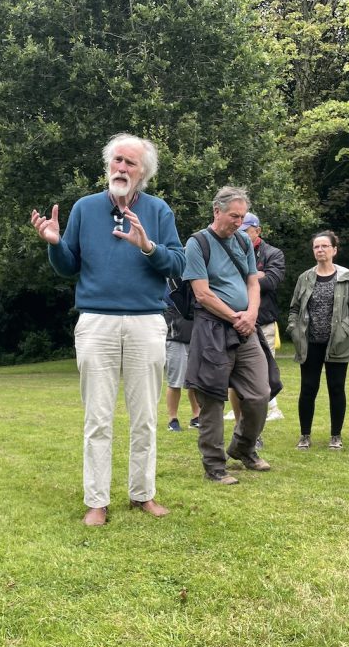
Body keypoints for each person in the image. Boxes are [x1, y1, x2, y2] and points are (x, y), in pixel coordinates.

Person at [31, 133, 185, 525]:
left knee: (145, 416)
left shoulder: (158, 210)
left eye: (130, 163)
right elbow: (68, 265)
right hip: (96, 321)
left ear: (143, 172)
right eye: (117, 160)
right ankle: (96, 501)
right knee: (98, 417)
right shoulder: (84, 208)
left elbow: (179, 265)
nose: (121, 167)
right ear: (108, 165)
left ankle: (142, 495)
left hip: (146, 322)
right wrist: (53, 242)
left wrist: (148, 247)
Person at [183, 187, 280, 484]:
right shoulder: (197, 244)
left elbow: (254, 281)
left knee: (260, 392)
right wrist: (235, 316)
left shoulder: (242, 241)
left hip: (246, 327)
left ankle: (243, 448)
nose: (238, 222)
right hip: (213, 328)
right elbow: (202, 293)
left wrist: (250, 314)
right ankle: (214, 465)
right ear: (216, 211)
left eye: (242, 217)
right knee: (212, 396)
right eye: (233, 216)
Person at [287, 230, 349, 451]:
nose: (320, 250)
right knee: (308, 388)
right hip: (309, 342)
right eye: (316, 247)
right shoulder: (305, 277)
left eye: (324, 246)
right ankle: (304, 436)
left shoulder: (346, 276)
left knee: (336, 388)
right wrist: (293, 329)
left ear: (334, 250)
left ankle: (336, 436)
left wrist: (347, 327)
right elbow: (294, 308)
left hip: (339, 343)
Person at [225, 212, 286, 444]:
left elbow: (271, 282)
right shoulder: (228, 249)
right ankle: (241, 428)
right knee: (234, 379)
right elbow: (221, 280)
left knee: (260, 381)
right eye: (238, 230)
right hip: (235, 322)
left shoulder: (273, 253)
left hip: (264, 323)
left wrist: (247, 277)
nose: (240, 234)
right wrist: (254, 275)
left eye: (245, 231)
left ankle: (255, 432)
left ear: (257, 231)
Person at [164, 289, 200, 432]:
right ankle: (172, 419)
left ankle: (196, 417)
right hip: (176, 335)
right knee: (175, 381)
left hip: (196, 335)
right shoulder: (171, 280)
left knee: (195, 382)